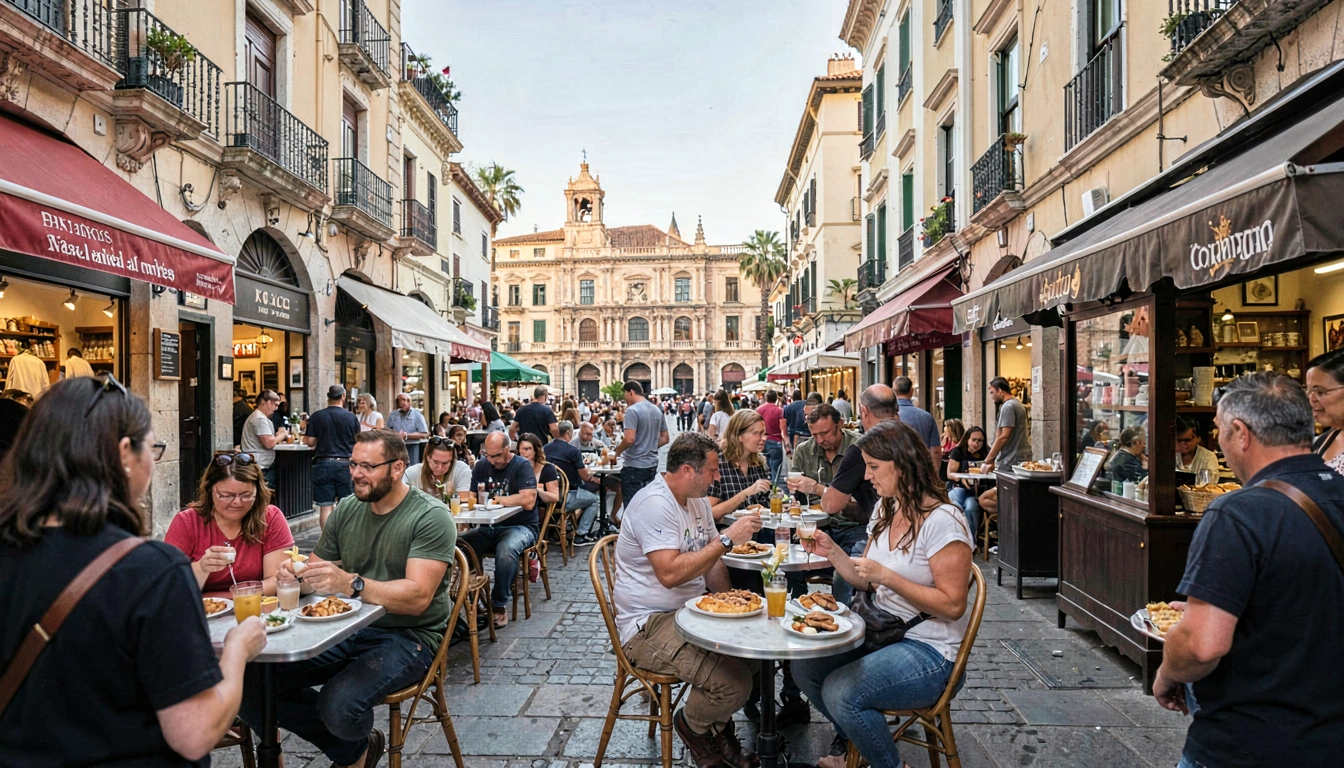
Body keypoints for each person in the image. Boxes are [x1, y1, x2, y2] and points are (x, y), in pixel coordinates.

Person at [0, 375, 266, 765]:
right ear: (125, 454)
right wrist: (238, 648)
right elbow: (196, 732)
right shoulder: (150, 572)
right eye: (152, 449)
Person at [1153, 372, 1344, 767]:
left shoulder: (1238, 511)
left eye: (1220, 431)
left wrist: (1169, 670)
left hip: (1250, 740)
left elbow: (1203, 645)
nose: (1219, 443)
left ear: (1241, 432)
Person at [246, 429, 458, 768]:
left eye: (368, 466)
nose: (357, 474)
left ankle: (347, 739)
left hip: (410, 636)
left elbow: (417, 598)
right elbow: (315, 571)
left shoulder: (430, 516)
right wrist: (294, 576)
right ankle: (355, 751)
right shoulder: (347, 510)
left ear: (397, 468)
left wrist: (351, 584)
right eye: (352, 464)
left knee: (340, 706)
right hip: (346, 628)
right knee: (250, 681)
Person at [795, 420, 973, 768]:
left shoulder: (943, 520)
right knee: (806, 669)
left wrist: (888, 577)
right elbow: (866, 581)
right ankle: (856, 746)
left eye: (874, 467)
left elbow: (953, 606)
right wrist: (831, 551)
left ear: (902, 464)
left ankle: (884, 762)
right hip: (883, 632)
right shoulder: (887, 508)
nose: (867, 476)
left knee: (841, 692)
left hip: (931, 651)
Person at [615, 432, 763, 768]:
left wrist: (729, 603)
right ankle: (693, 727)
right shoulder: (654, 504)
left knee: (753, 654)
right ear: (687, 471)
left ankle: (717, 730)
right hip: (647, 625)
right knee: (735, 682)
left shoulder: (696, 502)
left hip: (689, 613)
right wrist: (727, 539)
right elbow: (669, 574)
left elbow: (711, 564)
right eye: (712, 470)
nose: (718, 477)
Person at [166, 451, 294, 595]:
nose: (237, 502)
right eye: (226, 496)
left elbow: (277, 581)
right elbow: (169, 586)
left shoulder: (270, 518)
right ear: (209, 491)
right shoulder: (187, 522)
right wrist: (201, 568)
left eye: (246, 495)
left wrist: (230, 597)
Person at [459, 432, 539, 628]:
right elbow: (472, 497)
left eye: (496, 456)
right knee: (459, 545)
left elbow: (528, 500)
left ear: (507, 450)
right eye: (488, 455)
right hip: (489, 526)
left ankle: (498, 604)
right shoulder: (481, 465)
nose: (492, 461)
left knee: (507, 550)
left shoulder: (521, 465)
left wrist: (498, 500)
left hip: (521, 526)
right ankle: (472, 601)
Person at [788, 403, 864, 554]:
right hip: (816, 525)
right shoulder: (804, 450)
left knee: (851, 568)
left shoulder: (859, 447)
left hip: (854, 525)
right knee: (791, 561)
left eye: (825, 433)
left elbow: (864, 500)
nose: (820, 440)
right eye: (814, 435)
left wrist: (817, 489)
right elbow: (795, 493)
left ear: (840, 424)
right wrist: (793, 499)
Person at [305, 384, 362, 527]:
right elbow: (358, 441)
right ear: (343, 396)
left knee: (325, 506)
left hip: (323, 463)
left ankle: (326, 541)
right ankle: (346, 537)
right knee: (347, 505)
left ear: (328, 397)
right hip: (345, 464)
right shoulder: (351, 417)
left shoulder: (317, 416)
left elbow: (310, 441)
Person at [706, 409, 774, 519]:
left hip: (761, 532)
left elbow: (765, 503)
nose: (764, 438)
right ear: (739, 435)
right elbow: (709, 513)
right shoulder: (718, 464)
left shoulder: (759, 463)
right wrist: (746, 493)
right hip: (728, 533)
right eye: (757, 433)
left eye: (764, 433)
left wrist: (782, 504)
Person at [978, 377, 1030, 518]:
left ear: (1000, 390)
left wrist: (988, 459)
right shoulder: (1017, 405)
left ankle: (1008, 523)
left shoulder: (1008, 407)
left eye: (992, 392)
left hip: (1010, 462)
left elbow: (1003, 437)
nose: (991, 396)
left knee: (999, 500)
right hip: (1016, 460)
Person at [616, 380, 670, 507]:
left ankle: (631, 527)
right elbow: (665, 438)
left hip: (634, 465)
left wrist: (617, 452)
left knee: (632, 507)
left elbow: (629, 439)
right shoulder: (656, 410)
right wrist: (649, 446)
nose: (624, 398)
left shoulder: (632, 411)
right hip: (651, 465)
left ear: (631, 392)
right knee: (646, 505)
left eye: (625, 394)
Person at [550, 421, 601, 543]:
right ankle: (581, 535)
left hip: (548, 495)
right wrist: (591, 474)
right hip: (565, 496)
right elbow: (585, 477)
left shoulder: (545, 449)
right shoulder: (573, 451)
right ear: (568, 432)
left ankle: (571, 526)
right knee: (595, 500)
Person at [240, 389, 289, 488]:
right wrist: (282, 434)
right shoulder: (259, 418)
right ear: (266, 403)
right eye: (275, 405)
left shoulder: (261, 417)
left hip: (261, 465)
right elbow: (269, 443)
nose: (276, 408)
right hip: (260, 466)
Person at [946, 426, 989, 537]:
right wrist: (960, 478)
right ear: (967, 439)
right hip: (959, 488)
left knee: (971, 507)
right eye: (974, 440)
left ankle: (971, 541)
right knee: (955, 507)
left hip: (978, 491)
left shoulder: (987, 453)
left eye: (980, 441)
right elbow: (949, 473)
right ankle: (955, 538)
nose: (976, 444)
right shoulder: (958, 452)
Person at [893, 376, 942, 468]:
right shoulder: (927, 417)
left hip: (896, 470)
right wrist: (934, 475)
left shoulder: (888, 417)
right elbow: (935, 451)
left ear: (894, 392)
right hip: (922, 470)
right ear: (911, 391)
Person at [403, 437, 473, 499]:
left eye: (445, 463)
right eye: (436, 462)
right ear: (428, 458)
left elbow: (463, 501)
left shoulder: (461, 470)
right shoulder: (411, 474)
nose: (440, 468)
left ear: (452, 461)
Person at [518, 432, 561, 509]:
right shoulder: (517, 467)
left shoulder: (548, 469)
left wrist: (536, 489)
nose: (524, 452)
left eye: (527, 449)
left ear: (535, 450)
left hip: (539, 509)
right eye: (521, 449)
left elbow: (555, 497)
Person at [386, 393, 430, 464]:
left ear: (409, 402)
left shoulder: (417, 415)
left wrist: (406, 435)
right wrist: (393, 433)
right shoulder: (393, 414)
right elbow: (386, 430)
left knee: (411, 468)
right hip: (396, 446)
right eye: (399, 405)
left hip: (412, 446)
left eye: (403, 404)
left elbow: (424, 434)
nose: (401, 407)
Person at [757, 388, 786, 483]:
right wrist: (786, 442)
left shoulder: (758, 410)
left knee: (761, 468)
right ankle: (773, 492)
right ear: (776, 399)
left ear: (766, 398)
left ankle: (763, 490)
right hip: (775, 441)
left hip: (760, 440)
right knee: (775, 469)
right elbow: (783, 428)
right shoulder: (779, 411)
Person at [782, 389, 809, 457]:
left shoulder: (788, 407)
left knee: (796, 454)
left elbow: (785, 423)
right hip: (807, 432)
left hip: (793, 434)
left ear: (793, 398)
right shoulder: (806, 404)